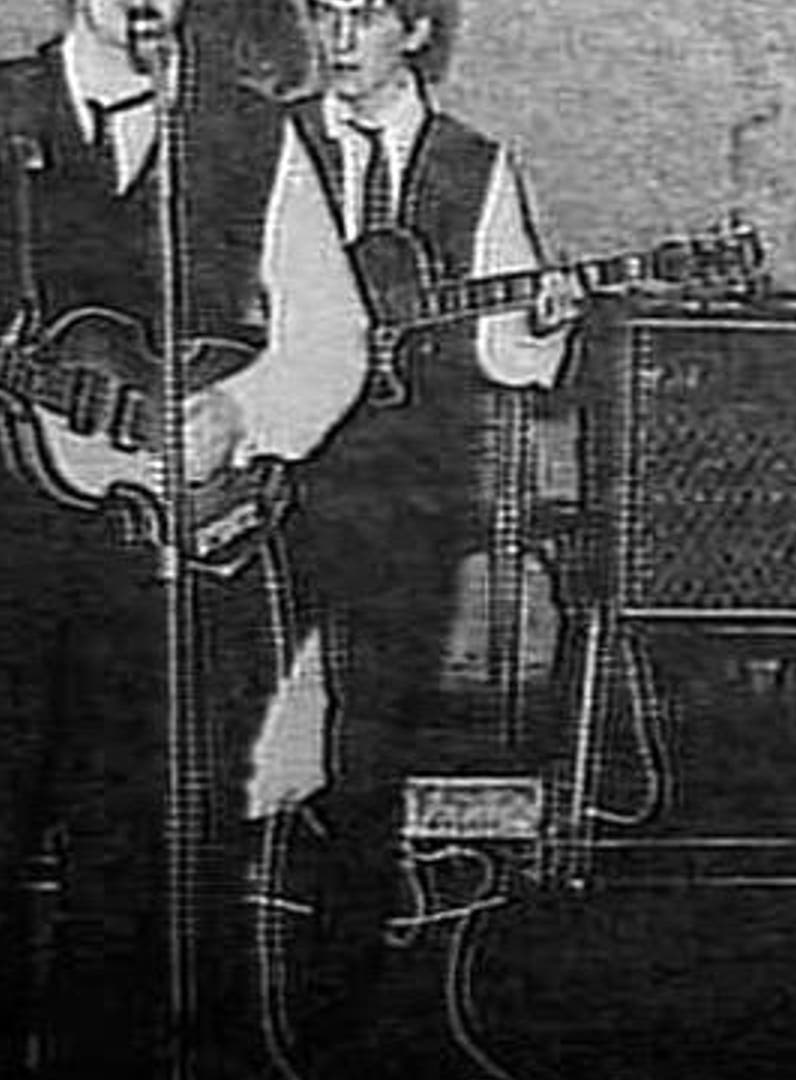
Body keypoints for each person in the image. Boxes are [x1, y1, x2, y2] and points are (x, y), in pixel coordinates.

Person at [0, 0, 370, 1076]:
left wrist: (245, 412)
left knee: (139, 866)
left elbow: (335, 333)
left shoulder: (257, 130)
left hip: (171, 564)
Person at [275, 1, 581, 1072]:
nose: (339, 35)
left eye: (364, 13)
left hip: (397, 497)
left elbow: (509, 354)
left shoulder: (474, 168)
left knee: (364, 758)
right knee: (215, 729)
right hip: (258, 478)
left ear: (414, 29)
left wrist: (543, 316)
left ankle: (336, 1014)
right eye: (324, 12)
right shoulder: (263, 143)